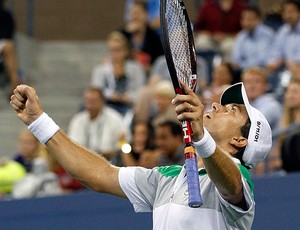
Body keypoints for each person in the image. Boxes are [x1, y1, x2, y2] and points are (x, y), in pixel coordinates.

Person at [10, 80, 272, 229]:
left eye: (232, 110)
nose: (217, 105)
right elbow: (98, 175)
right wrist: (38, 122)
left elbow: (231, 186)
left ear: (240, 140)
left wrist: (202, 138)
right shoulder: (165, 178)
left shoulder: (240, 178)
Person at [90, 30, 146, 116]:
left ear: (126, 51)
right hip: (106, 107)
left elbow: (141, 91)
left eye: (118, 50)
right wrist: (110, 95)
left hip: (130, 107)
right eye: (112, 50)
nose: (115, 54)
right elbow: (95, 91)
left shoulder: (136, 68)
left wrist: (127, 97)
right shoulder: (100, 70)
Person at [68, 87, 129, 162]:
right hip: (83, 162)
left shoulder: (115, 119)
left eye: (93, 102)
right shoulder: (77, 120)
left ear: (102, 102)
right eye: (88, 102)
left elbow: (125, 145)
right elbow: (73, 147)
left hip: (110, 162)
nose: (90, 105)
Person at [268, 76, 300, 173]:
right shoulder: (283, 125)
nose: (290, 95)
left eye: (295, 92)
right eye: (288, 92)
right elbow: (273, 159)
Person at [121, 1, 164, 73]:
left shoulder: (154, 38)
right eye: (132, 14)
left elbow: (160, 63)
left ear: (146, 15)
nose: (134, 17)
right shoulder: (124, 34)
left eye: (137, 14)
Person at [231, 6, 275, 70]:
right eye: (244, 19)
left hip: (263, 71)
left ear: (258, 20)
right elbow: (236, 60)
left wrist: (247, 66)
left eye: (249, 19)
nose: (246, 23)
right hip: (244, 71)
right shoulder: (241, 36)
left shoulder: (268, 34)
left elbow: (264, 60)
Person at [0, 1, 20, 94]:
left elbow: (8, 34)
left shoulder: (6, 15)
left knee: (9, 46)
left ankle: (14, 86)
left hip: (3, 43)